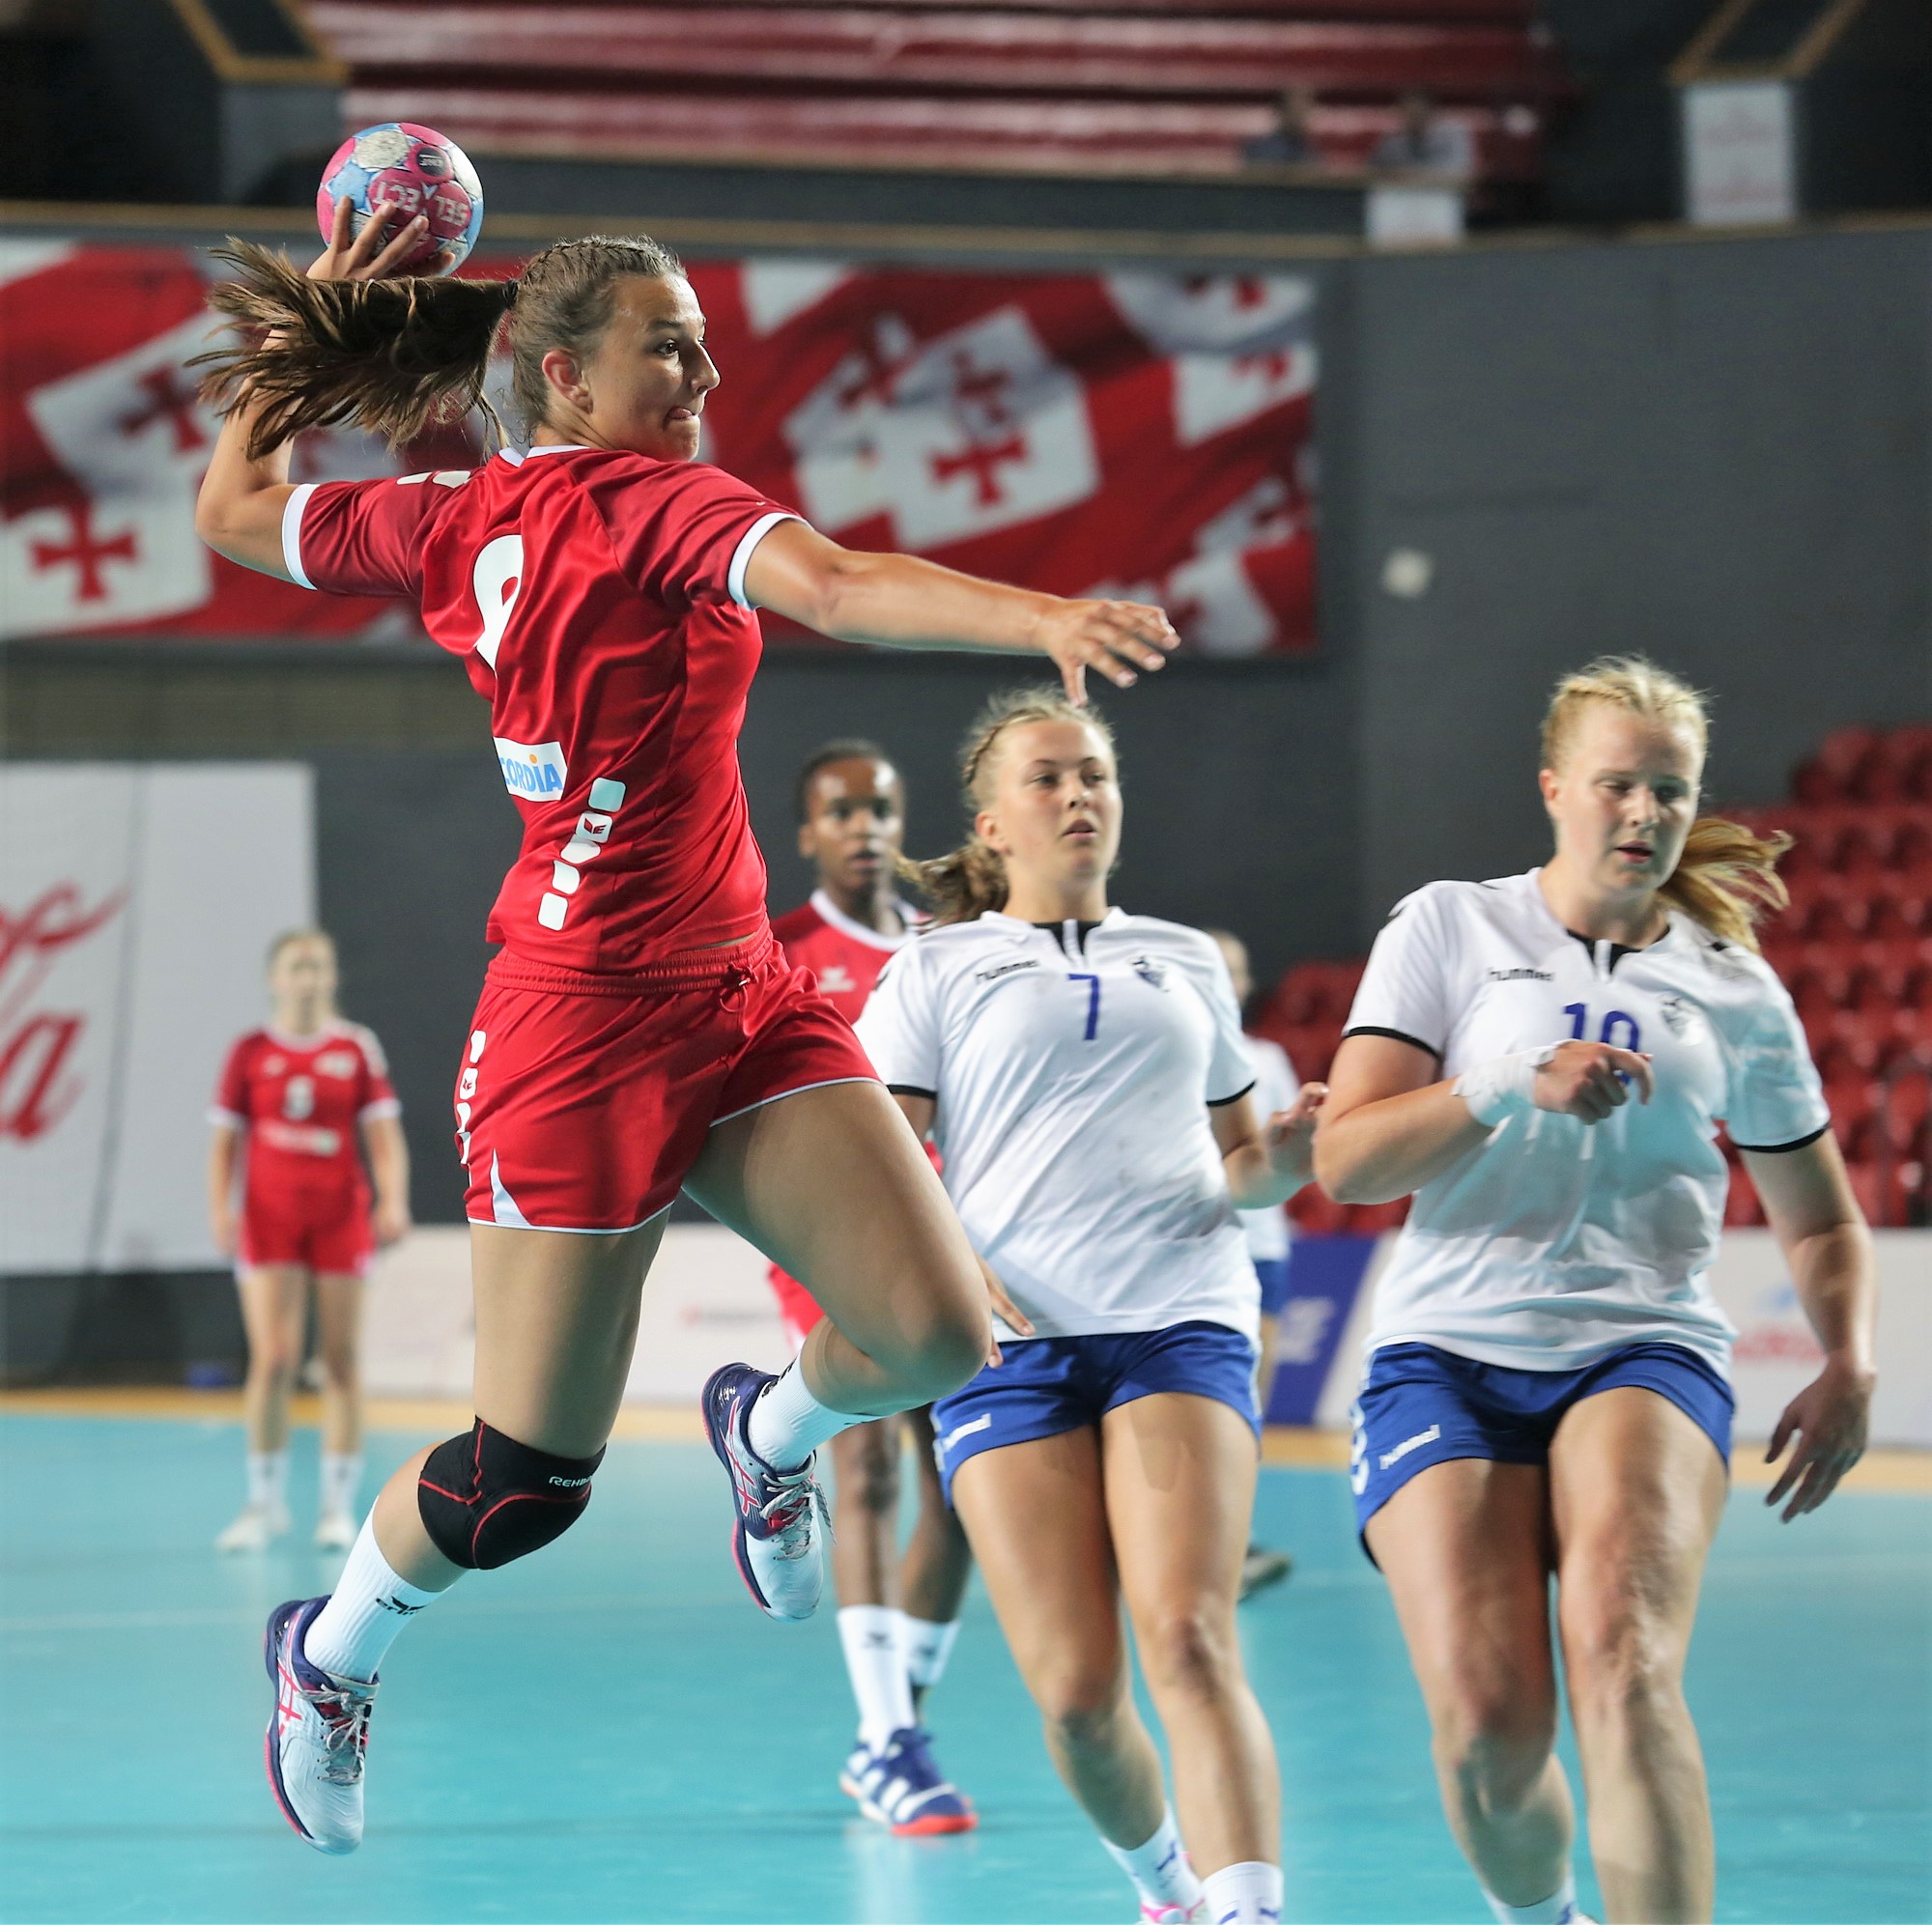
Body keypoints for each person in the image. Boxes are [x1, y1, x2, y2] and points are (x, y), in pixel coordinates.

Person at [191, 200, 1179, 1855]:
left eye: (707, 339)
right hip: (571, 1033)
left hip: (738, 995)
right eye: (673, 344)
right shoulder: (649, 497)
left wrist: (305, 347)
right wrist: (1041, 619)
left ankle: (768, 1424)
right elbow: (845, 584)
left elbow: (229, 509)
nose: (708, 366)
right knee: (522, 1485)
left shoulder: (446, 514)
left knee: (940, 1338)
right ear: (566, 380)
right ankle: (334, 1647)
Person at [1314, 657, 1877, 1925]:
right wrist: (1510, 1080)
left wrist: (1851, 1354)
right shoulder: (1449, 928)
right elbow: (1347, 1159)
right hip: (1444, 1352)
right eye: (1617, 783)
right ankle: (1541, 1912)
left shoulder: (1734, 985)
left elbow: (1822, 1214)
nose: (1643, 812)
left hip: (1644, 1344)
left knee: (1625, 1668)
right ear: (1555, 785)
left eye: (1668, 790)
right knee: (1486, 1732)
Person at [858, 688, 1324, 1925]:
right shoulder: (931, 967)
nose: (1079, 796)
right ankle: (1165, 1887)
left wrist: (1285, 1152)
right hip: (1010, 1347)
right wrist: (948, 1266)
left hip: (1179, 1316)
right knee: (1073, 1691)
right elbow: (879, 1163)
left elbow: (1242, 1167)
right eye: (1050, 778)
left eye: (1095, 776)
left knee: (1187, 1636)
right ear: (991, 823)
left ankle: (1249, 1909)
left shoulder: (1178, 958)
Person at [768, 739, 977, 1835]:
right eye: (841, 811)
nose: (865, 827)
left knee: (965, 1496)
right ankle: (892, 1736)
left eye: (881, 807)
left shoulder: (946, 950)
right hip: (831, 1246)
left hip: (957, 1251)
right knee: (866, 1475)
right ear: (807, 833)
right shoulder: (780, 952)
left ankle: (890, 1723)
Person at [208, 928, 411, 1552]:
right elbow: (225, 1142)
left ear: (333, 975)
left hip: (338, 1218)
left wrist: (393, 1197)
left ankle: (337, 1507)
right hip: (268, 1221)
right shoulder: (249, 1050)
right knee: (273, 1357)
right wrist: (222, 1208)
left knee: (342, 1359)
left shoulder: (355, 1047)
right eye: (297, 965)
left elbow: (383, 1136)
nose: (309, 976)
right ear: (275, 978)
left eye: (319, 964)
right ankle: (262, 1502)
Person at [1207, 928, 1302, 1599]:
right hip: (1202, 1248)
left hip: (1264, 1247)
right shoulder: (1171, 1049)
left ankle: (1229, 1544)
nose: (1229, 979)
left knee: (1245, 1407)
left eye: (1238, 969)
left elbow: (1288, 1148)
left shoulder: (1268, 1057)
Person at [1371, 91, 1476, 179]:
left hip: (1444, 195)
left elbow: (1460, 169)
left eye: (1418, 112)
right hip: (1399, 194)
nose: (1414, 118)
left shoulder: (1454, 134)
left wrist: (1412, 173)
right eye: (1408, 112)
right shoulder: (1394, 141)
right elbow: (1372, 169)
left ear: (1431, 112)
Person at [1241, 87, 1320, 168]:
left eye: (1305, 109)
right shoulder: (1258, 149)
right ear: (1282, 110)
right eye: (1295, 108)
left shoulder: (1311, 153)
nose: (1301, 115)